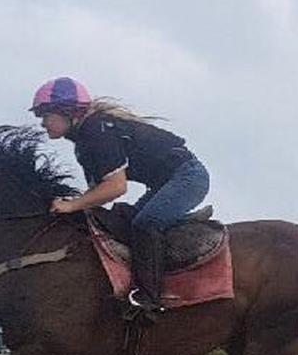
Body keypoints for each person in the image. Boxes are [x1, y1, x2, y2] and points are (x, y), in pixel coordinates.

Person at [31, 76, 210, 312]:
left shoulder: (97, 130)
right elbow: (96, 194)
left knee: (146, 223)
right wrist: (74, 207)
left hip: (188, 177)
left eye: (46, 115)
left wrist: (72, 206)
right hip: (167, 183)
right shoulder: (84, 142)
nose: (42, 123)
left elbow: (116, 187)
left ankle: (150, 300)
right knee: (125, 221)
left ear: (67, 111)